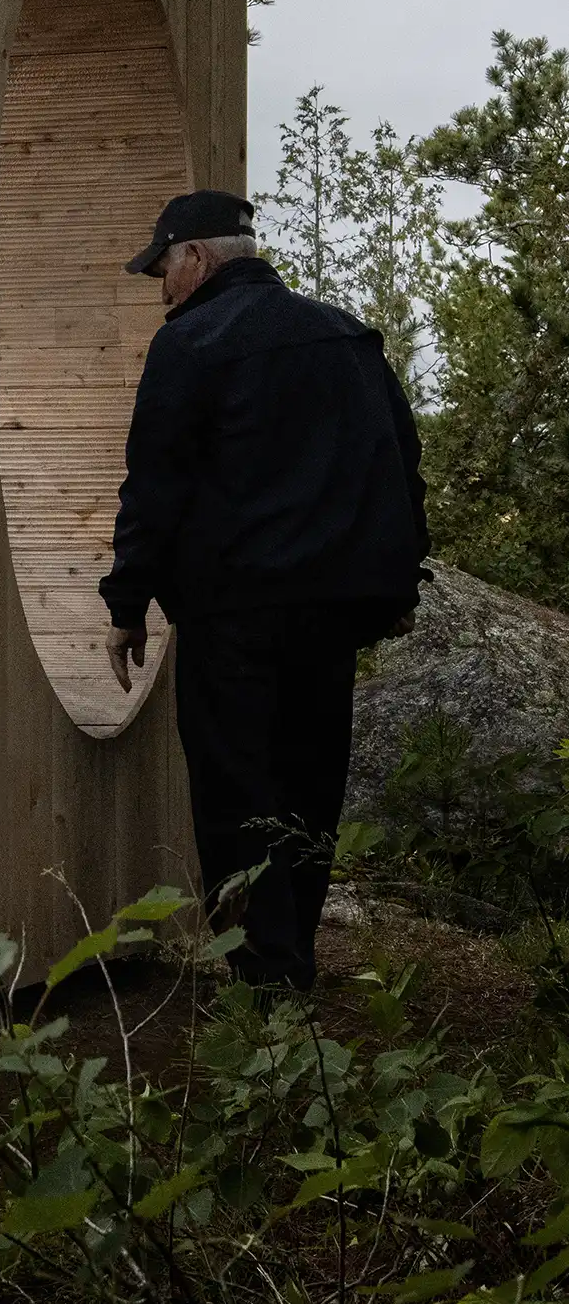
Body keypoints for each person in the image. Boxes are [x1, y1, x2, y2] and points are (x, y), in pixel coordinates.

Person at [98, 189, 429, 989]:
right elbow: (403, 464)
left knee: (238, 789)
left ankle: (265, 978)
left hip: (235, 614)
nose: (162, 290)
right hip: (334, 612)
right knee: (310, 785)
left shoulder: (191, 345)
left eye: (163, 272)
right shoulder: (347, 336)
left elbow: (156, 484)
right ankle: (295, 961)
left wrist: (126, 601)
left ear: (198, 259)